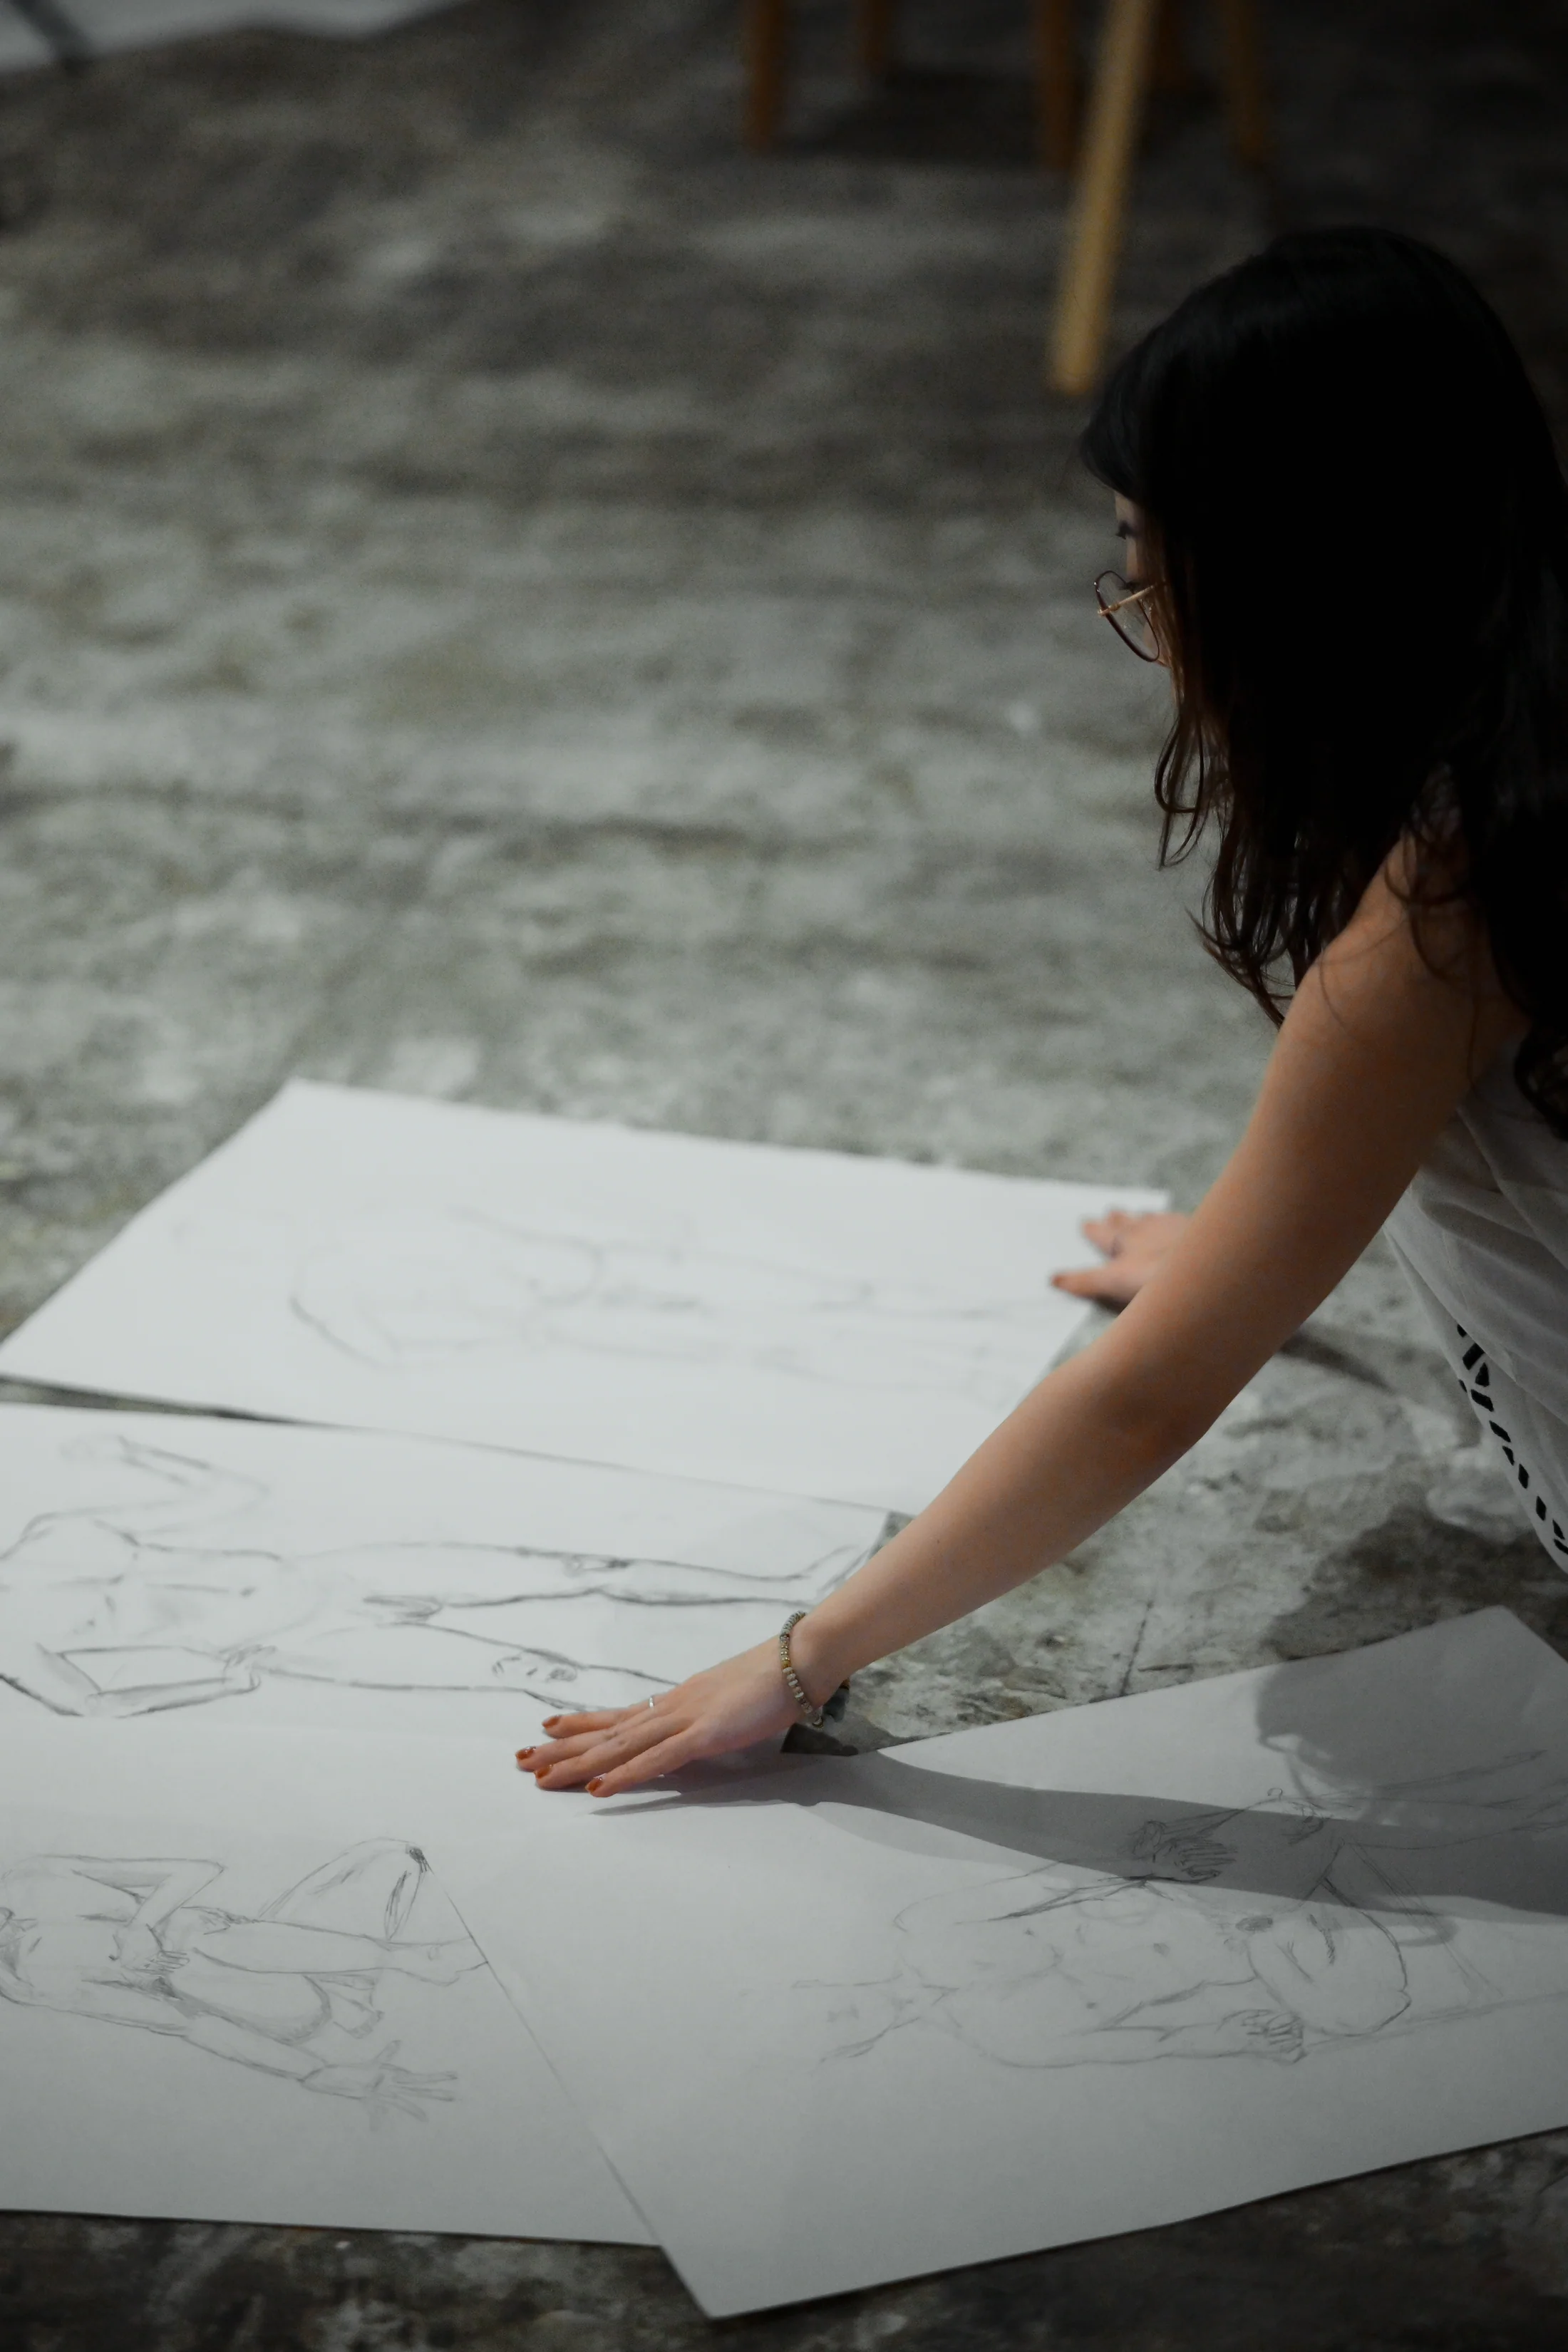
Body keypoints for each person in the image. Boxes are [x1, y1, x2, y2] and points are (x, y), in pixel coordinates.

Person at [519, 225, 1568, 1799]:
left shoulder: (1439, 916)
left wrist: (803, 1655)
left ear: (1297, 573)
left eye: (1149, 565)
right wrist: (1257, 1247)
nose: (1139, 612)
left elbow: (1147, 1399)